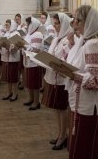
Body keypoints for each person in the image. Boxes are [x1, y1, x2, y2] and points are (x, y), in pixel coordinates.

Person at [52, 5, 98, 159]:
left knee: (87, 148)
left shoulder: (94, 44)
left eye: (79, 20)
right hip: (82, 102)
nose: (74, 23)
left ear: (90, 22)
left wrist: (70, 74)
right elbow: (76, 63)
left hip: (91, 105)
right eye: (74, 19)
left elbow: (97, 80)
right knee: (81, 146)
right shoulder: (84, 41)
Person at [41, 13, 72, 150]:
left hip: (61, 80)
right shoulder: (56, 38)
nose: (54, 26)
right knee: (56, 108)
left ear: (64, 23)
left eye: (57, 23)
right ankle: (60, 132)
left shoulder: (69, 40)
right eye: (54, 23)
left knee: (62, 108)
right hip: (52, 76)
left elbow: (68, 60)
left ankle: (63, 135)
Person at [22, 17, 44, 110]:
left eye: (28, 24)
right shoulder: (29, 34)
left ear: (33, 24)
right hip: (28, 61)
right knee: (29, 82)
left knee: (35, 84)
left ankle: (36, 102)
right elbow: (27, 46)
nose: (27, 26)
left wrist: (24, 46)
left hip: (35, 62)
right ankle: (31, 99)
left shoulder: (38, 34)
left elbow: (35, 49)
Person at [0, 19, 20, 101]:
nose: (6, 26)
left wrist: (9, 47)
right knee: (8, 77)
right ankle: (9, 93)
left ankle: (15, 94)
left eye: (7, 25)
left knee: (13, 78)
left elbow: (17, 47)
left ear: (12, 25)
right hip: (6, 58)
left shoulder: (16, 34)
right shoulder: (5, 33)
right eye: (5, 25)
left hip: (13, 58)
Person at [15, 13, 27, 90]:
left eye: (18, 19)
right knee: (18, 67)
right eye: (16, 19)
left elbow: (25, 37)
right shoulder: (16, 27)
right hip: (17, 48)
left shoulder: (24, 27)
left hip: (22, 48)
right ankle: (19, 80)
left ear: (21, 19)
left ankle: (23, 82)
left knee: (22, 67)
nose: (17, 21)